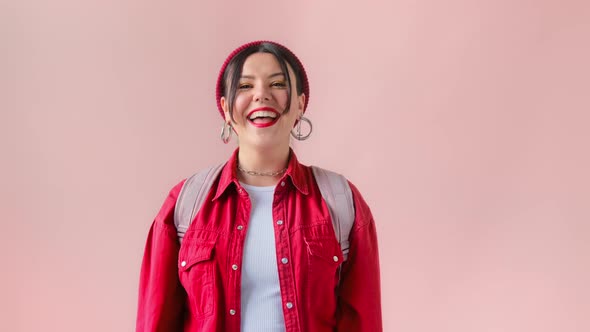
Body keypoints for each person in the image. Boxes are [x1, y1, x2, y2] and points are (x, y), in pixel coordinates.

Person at [136, 40, 382, 332]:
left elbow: (363, 321)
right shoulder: (186, 203)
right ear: (226, 109)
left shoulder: (341, 201)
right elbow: (155, 321)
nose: (261, 95)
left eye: (278, 84)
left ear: (300, 104)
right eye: (244, 86)